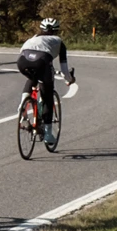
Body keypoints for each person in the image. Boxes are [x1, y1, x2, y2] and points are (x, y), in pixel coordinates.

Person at [17, 18, 76, 149]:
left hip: (22, 61)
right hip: (42, 61)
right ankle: (48, 134)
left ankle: (22, 105)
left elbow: (22, 51)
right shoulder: (59, 42)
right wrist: (69, 79)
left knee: (32, 77)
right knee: (47, 97)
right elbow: (65, 70)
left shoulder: (33, 38)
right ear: (56, 30)